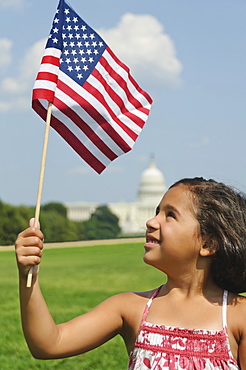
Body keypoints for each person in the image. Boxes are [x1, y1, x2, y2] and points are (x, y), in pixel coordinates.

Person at [15, 177, 246, 369]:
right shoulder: (130, 307)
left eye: (170, 215)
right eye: (156, 211)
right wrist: (29, 276)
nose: (151, 221)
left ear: (209, 243)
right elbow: (49, 343)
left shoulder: (239, 316)